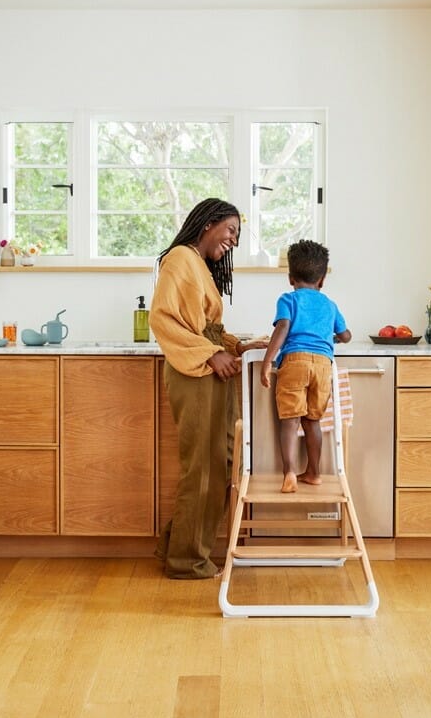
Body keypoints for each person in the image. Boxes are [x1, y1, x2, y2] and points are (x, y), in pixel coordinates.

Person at [149, 198, 268, 579]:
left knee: (219, 464)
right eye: (230, 230)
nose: (233, 240)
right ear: (208, 223)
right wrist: (211, 353)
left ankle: (177, 547)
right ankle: (186, 561)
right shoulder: (181, 259)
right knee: (203, 467)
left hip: (209, 368)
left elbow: (205, 327)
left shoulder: (196, 264)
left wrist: (236, 347)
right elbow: (165, 320)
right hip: (195, 371)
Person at [260, 239, 351, 494]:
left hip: (294, 361)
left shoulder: (288, 299)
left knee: (290, 420)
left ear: (290, 278)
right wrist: (329, 337)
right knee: (313, 421)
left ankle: (289, 472)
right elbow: (345, 336)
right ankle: (314, 472)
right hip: (322, 365)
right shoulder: (330, 305)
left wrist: (267, 362)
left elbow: (282, 328)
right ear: (322, 280)